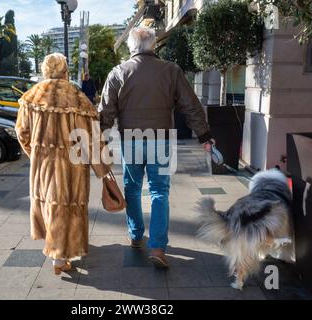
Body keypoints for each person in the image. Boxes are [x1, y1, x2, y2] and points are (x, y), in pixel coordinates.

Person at [99, 26, 214, 268]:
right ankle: (158, 247)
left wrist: (101, 138)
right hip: (160, 139)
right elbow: (190, 105)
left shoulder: (118, 72)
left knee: (132, 189)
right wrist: (204, 135)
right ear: (153, 45)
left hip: (130, 139)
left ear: (131, 46)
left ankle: (136, 235)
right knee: (159, 191)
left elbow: (106, 110)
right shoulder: (171, 70)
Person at [15, 53, 110, 275]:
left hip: (44, 165)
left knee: (50, 203)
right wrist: (102, 168)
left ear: (45, 70)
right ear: (65, 70)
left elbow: (21, 132)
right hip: (73, 165)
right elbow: (93, 138)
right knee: (66, 206)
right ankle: (59, 257)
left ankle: (58, 251)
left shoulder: (31, 97)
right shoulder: (78, 98)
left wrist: (35, 154)